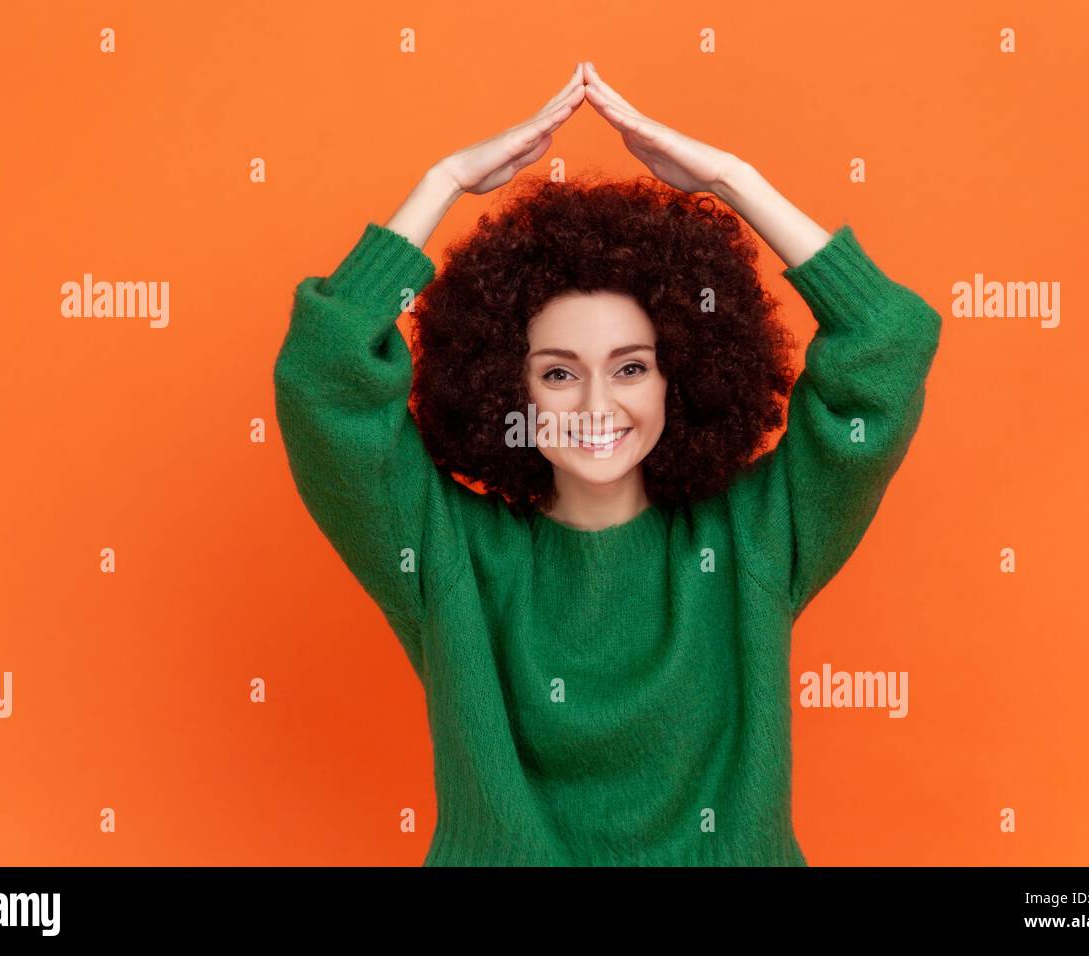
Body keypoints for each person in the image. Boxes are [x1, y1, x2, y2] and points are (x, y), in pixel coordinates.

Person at [273, 61, 942, 866]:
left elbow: (889, 348)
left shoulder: (752, 541)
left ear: (679, 377)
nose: (597, 404)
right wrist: (441, 182)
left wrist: (735, 181)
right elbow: (323, 382)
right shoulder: (446, 554)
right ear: (503, 387)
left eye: (631, 368)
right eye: (559, 372)